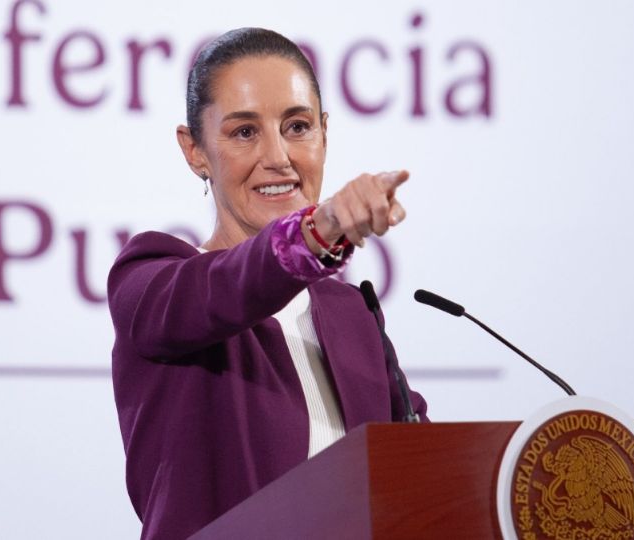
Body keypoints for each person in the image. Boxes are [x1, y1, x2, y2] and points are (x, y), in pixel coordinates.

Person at [107, 27, 428, 540]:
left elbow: (427, 473)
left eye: (297, 126)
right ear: (194, 150)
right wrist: (315, 234)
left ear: (324, 133)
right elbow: (233, 287)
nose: (278, 156)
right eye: (243, 132)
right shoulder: (153, 279)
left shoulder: (352, 315)